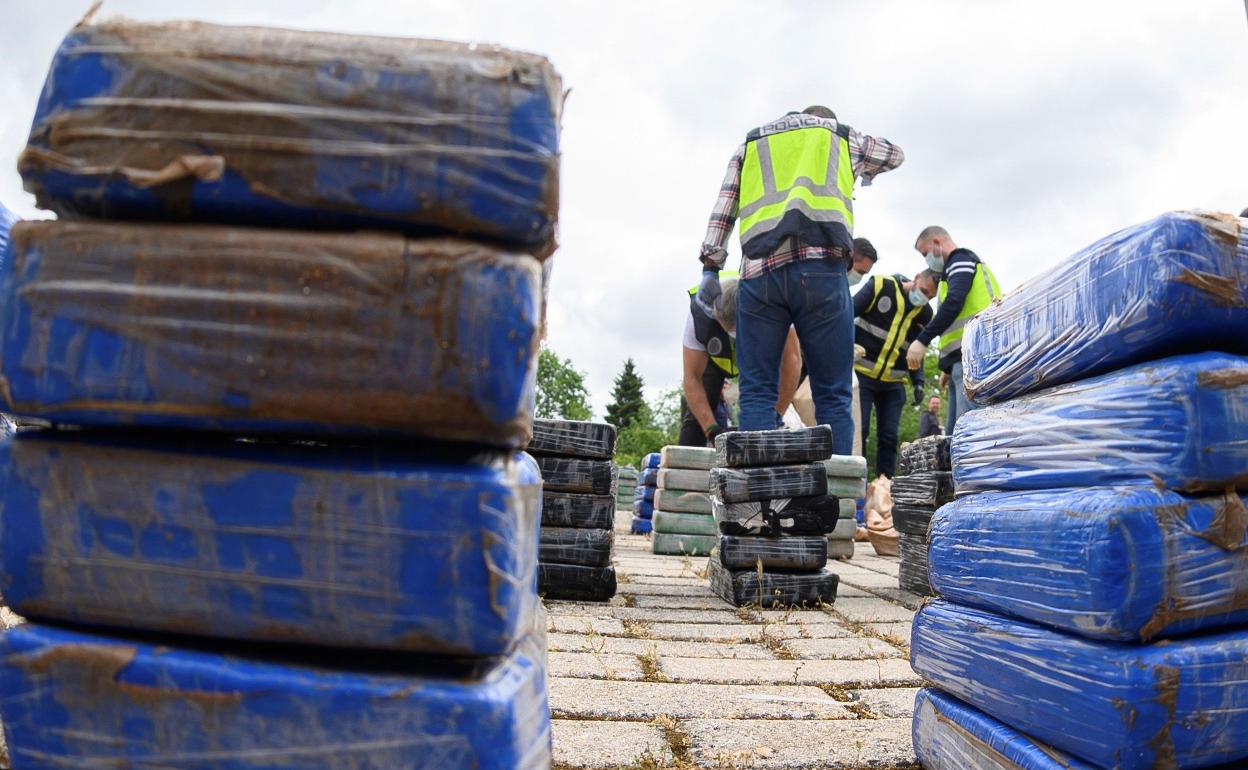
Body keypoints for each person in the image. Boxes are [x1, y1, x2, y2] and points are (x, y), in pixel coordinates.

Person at [696, 106, 904, 454]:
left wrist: (711, 266)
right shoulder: (839, 135)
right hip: (821, 273)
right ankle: (836, 498)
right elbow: (894, 155)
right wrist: (860, 168)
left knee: (757, 391)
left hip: (759, 274)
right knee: (832, 393)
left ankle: (755, 499)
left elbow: (724, 205)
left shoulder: (751, 144)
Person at [681, 275, 801, 446]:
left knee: (761, 403)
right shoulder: (699, 314)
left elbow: (792, 363)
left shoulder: (773, 303)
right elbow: (692, 377)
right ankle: (686, 466)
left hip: (760, 343)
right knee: (696, 420)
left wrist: (777, 415)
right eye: (731, 329)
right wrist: (711, 430)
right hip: (714, 360)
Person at [906, 226, 1001, 436]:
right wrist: (947, 366)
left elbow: (955, 302)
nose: (927, 260)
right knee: (953, 436)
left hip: (974, 359)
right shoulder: (952, 269)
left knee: (968, 434)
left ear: (937, 243)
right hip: (962, 361)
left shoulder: (961, 260)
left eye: (925, 253)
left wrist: (922, 340)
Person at [852, 244, 935, 477]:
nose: (924, 298)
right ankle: (855, 486)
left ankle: (884, 486)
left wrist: (918, 381)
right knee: (861, 431)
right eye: (924, 290)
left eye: (930, 296)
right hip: (862, 375)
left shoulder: (925, 314)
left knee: (889, 437)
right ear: (917, 278)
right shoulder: (881, 287)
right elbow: (847, 312)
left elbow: (917, 351)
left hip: (893, 384)